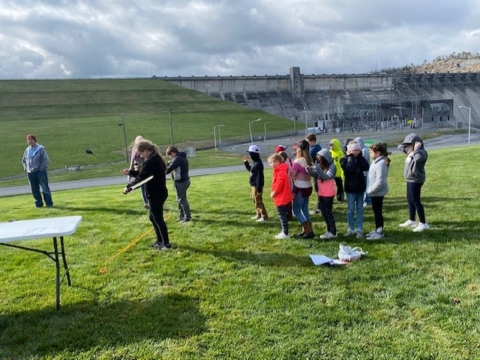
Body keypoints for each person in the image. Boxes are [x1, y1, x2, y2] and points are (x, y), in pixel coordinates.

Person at [123, 140, 171, 250]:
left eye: (140, 154)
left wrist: (129, 187)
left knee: (158, 219)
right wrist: (130, 172)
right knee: (152, 217)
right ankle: (160, 241)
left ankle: (166, 244)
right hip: (156, 193)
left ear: (145, 151)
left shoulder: (151, 161)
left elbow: (142, 178)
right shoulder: (153, 159)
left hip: (157, 194)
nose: (140, 156)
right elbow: (143, 174)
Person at [398, 133, 429, 232]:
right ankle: (412, 220)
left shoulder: (422, 153)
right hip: (409, 178)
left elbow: (417, 158)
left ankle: (423, 223)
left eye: (409, 144)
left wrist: (416, 148)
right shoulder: (410, 151)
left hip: (416, 179)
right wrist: (406, 144)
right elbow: (400, 147)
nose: (407, 146)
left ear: (416, 143)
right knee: (410, 199)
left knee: (416, 200)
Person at [340, 140, 370, 239]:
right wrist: (351, 157)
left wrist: (360, 158)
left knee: (360, 209)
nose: (356, 152)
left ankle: (359, 228)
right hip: (350, 188)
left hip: (360, 187)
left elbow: (366, 167)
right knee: (351, 209)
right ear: (349, 151)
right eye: (354, 150)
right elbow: (350, 169)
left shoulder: (361, 158)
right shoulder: (344, 159)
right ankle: (351, 228)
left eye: (358, 150)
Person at [306, 149, 338, 239]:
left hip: (329, 193)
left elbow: (326, 177)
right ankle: (329, 230)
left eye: (319, 157)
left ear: (325, 158)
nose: (318, 159)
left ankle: (334, 232)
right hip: (321, 193)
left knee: (328, 212)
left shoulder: (332, 166)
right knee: (323, 212)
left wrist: (318, 168)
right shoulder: (321, 166)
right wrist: (308, 170)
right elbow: (316, 174)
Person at [365, 142, 390, 240]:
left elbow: (381, 181)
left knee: (378, 212)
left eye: (372, 152)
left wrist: (370, 190)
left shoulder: (381, 164)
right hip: (374, 193)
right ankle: (377, 229)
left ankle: (379, 232)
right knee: (376, 212)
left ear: (378, 153)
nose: (370, 154)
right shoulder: (376, 161)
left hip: (377, 193)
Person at [22, 134, 54, 208]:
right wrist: (26, 168)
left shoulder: (40, 149)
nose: (30, 141)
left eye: (31, 140)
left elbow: (46, 160)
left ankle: (49, 204)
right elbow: (24, 160)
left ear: (34, 140)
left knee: (45, 188)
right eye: (28, 140)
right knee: (34, 190)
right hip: (30, 173)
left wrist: (41, 169)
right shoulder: (27, 150)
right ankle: (39, 204)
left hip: (40, 172)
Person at [291, 139, 314, 238]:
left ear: (299, 149)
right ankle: (307, 230)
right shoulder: (309, 160)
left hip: (300, 187)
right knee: (305, 209)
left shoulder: (298, 161)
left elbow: (292, 174)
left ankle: (308, 230)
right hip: (308, 187)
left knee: (296, 210)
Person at [268, 153, 293, 239]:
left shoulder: (281, 172)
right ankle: (284, 232)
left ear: (277, 162)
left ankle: (285, 233)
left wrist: (274, 193)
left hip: (281, 197)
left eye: (272, 163)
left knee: (282, 216)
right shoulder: (279, 170)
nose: (271, 165)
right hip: (282, 197)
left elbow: (279, 185)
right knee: (282, 215)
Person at [166, 146, 191, 223]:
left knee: (181, 200)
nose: (170, 157)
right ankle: (181, 216)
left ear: (173, 153)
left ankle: (187, 217)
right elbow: (170, 164)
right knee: (181, 199)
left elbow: (167, 170)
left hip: (180, 182)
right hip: (185, 181)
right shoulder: (181, 157)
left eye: (170, 155)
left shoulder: (177, 159)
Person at [243, 145, 268, 221]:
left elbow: (259, 177)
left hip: (257, 185)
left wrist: (259, 189)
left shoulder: (258, 163)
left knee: (258, 201)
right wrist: (246, 163)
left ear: (254, 154)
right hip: (253, 185)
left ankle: (264, 216)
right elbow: (251, 170)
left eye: (250, 153)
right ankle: (258, 214)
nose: (250, 155)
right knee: (255, 200)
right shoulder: (255, 163)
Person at [122, 135, 148, 209]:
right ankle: (146, 203)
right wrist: (129, 172)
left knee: (147, 186)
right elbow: (132, 162)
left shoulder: (146, 150)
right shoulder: (134, 150)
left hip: (145, 170)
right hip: (138, 170)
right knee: (142, 186)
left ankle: (150, 202)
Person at [276, 145, 293, 221]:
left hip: (286, 184)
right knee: (287, 200)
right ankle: (288, 214)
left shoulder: (283, 166)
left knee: (286, 201)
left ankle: (288, 214)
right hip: (289, 183)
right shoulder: (287, 161)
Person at [306, 133, 322, 214]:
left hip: (317, 170)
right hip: (319, 170)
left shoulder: (314, 149)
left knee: (318, 188)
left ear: (312, 141)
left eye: (308, 141)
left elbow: (310, 158)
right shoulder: (317, 147)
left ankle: (320, 207)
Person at [354, 137, 371, 207]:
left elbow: (361, 161)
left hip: (365, 173)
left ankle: (367, 201)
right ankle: (365, 200)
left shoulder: (364, 151)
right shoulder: (362, 150)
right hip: (362, 173)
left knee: (366, 187)